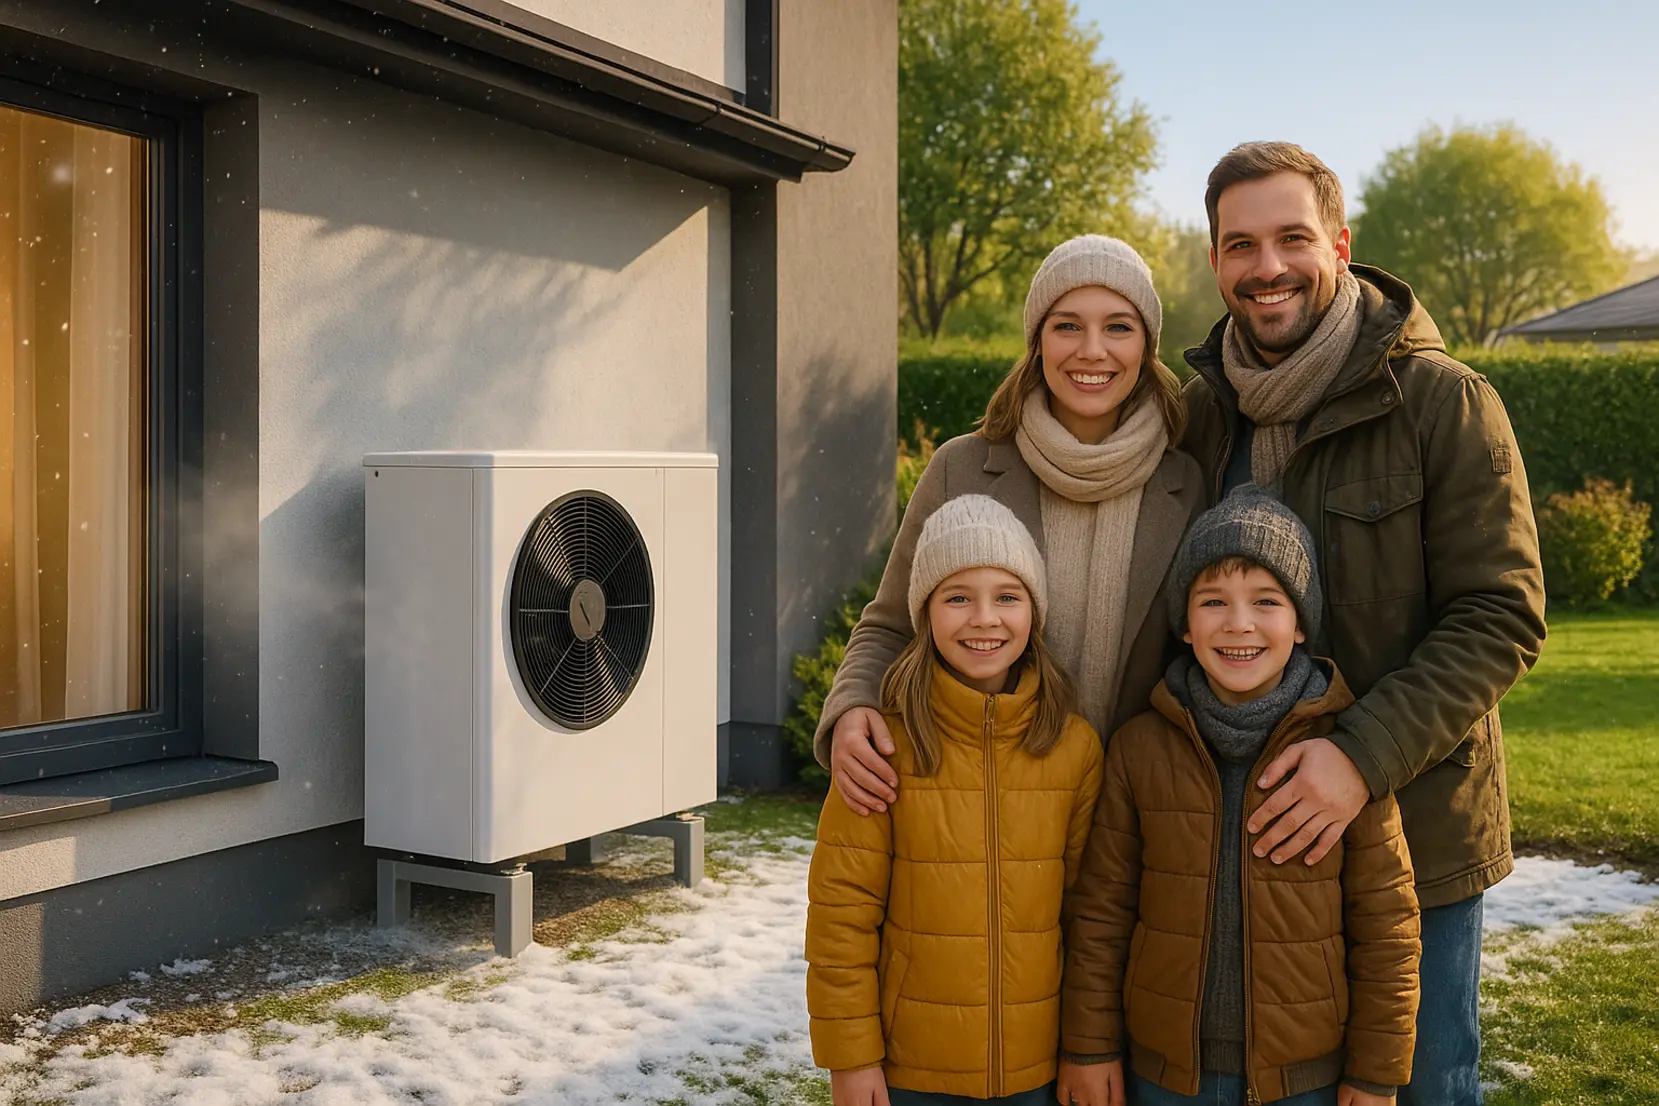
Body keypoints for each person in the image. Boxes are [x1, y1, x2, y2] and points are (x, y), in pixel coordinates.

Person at [1180, 142, 1545, 1105]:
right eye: (1239, 245)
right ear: (1214, 262)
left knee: (1418, 1085)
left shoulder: (1443, 401)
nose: (1266, 267)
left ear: (1339, 246)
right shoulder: (1199, 417)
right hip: (1245, 845)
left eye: (1291, 238)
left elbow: (1499, 613)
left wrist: (1358, 757)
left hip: (1414, 831)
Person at [1057, 487, 1420, 1106]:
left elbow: (1387, 927)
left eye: (1266, 601)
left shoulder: (1343, 755)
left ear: (1300, 623)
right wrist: (1089, 1047)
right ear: (1184, 623)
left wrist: (1375, 1074)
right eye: (1213, 601)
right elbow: (1101, 914)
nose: (1239, 623)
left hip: (1303, 1079)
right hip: (1163, 1076)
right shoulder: (1139, 748)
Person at [818, 235, 1203, 812]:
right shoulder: (962, 468)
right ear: (1037, 341)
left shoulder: (1188, 483)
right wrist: (852, 706)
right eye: (1067, 326)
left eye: (1118, 327)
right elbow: (891, 625)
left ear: (1147, 345)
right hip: (982, 811)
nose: (1092, 350)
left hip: (1131, 817)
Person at [805, 494, 1104, 1106]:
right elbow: (841, 918)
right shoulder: (881, 747)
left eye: (1007, 596)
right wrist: (850, 1059)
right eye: (958, 597)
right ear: (924, 613)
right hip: (911, 1071)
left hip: (1036, 1071)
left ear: (1035, 611)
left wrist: (1085, 1048)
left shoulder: (1073, 747)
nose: (984, 619)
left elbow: (1088, 917)